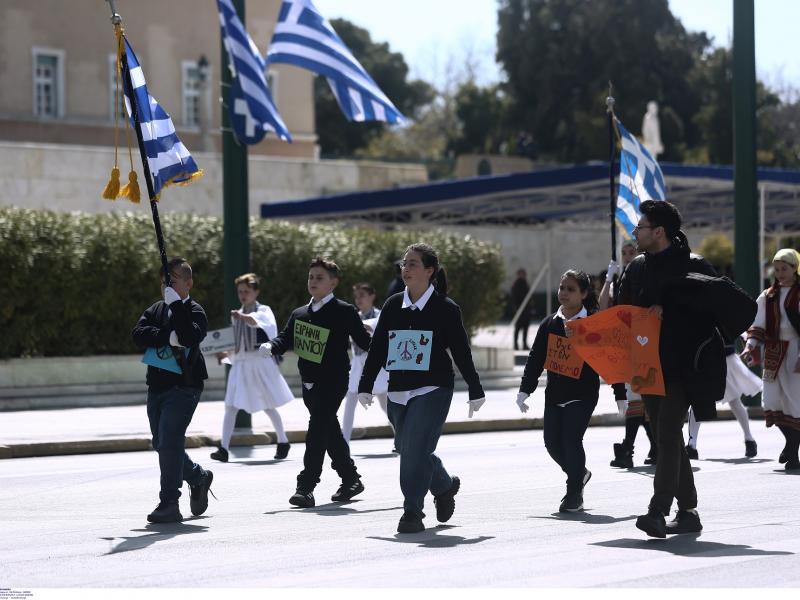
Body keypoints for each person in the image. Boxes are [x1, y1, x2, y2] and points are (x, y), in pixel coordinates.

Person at [359, 243, 486, 534]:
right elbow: (378, 348)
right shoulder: (393, 305)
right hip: (398, 390)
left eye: (413, 264)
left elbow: (461, 351)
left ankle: (412, 513)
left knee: (414, 449)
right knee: (409, 449)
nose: (406, 269)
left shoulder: (445, 308)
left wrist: (475, 388)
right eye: (404, 264)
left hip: (433, 388)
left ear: (430, 271)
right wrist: (366, 385)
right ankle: (443, 485)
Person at [616, 200, 724, 538]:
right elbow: (622, 312)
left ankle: (657, 511)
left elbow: (711, 314)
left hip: (682, 367)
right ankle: (688, 511)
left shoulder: (695, 266)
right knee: (671, 438)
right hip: (647, 366)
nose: (635, 232)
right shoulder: (635, 268)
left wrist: (670, 312)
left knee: (664, 433)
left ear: (659, 232)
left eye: (641, 227)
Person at [259, 257, 372, 508]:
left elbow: (365, 343)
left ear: (333, 283)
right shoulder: (299, 313)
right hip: (308, 383)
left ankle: (306, 486)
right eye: (311, 277)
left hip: (334, 381)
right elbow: (285, 338)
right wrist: (271, 346)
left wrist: (388, 352)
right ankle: (351, 478)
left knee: (317, 429)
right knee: (329, 429)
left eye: (319, 278)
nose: (313, 281)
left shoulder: (344, 311)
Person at [516, 270, 627, 512]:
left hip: (583, 394)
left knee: (571, 440)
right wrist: (525, 389)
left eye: (571, 289)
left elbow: (610, 359)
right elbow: (536, 358)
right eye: (562, 287)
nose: (564, 293)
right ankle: (580, 473)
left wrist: (620, 393)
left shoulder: (594, 324)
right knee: (552, 443)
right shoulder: (549, 323)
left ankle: (574, 491)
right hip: (555, 394)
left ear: (584, 294)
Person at [131, 257, 214, 523]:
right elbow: (139, 333)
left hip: (184, 386)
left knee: (169, 440)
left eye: (173, 281)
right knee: (161, 442)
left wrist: (176, 305)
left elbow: (190, 335)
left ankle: (169, 501)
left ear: (188, 284)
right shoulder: (155, 309)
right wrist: (166, 337)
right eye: (164, 281)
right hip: (157, 385)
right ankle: (197, 476)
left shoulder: (195, 310)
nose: (166, 286)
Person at [210, 273, 293, 463]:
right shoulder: (237, 315)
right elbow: (239, 346)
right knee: (230, 406)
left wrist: (242, 316)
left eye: (246, 291)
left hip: (259, 363)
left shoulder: (263, 310)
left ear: (256, 292)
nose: (243, 295)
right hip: (241, 365)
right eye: (240, 292)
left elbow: (261, 324)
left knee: (268, 405)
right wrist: (226, 355)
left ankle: (283, 440)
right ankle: (223, 448)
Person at [742, 248, 800, 471]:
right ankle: (791, 442)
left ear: (795, 269)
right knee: (771, 401)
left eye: (784, 269)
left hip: (796, 350)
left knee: (795, 402)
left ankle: (793, 454)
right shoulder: (768, 296)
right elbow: (757, 326)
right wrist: (749, 347)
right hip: (774, 352)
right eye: (776, 269)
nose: (780, 273)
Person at [600, 240, 657, 469]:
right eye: (624, 253)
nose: (628, 256)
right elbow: (603, 306)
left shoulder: (648, 277)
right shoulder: (620, 280)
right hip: (628, 345)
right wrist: (608, 278)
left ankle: (629, 449)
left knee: (639, 398)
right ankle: (653, 446)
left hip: (647, 343)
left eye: (631, 251)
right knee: (639, 398)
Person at [685, 338, 761, 460]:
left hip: (726, 359)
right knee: (698, 400)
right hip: (704, 359)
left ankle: (749, 439)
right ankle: (691, 444)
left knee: (735, 401)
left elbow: (737, 327)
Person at [340, 282, 391, 446]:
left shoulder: (380, 315)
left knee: (386, 405)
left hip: (376, 366)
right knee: (350, 402)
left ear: (372, 296)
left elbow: (372, 327)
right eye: (356, 296)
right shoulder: (354, 315)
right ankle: (344, 443)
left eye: (362, 295)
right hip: (357, 366)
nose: (358, 299)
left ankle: (401, 439)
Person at [511, 268, 533, 350]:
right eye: (522, 274)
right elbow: (516, 297)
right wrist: (517, 308)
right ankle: (516, 344)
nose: (524, 275)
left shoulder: (525, 283)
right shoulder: (516, 284)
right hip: (519, 310)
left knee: (525, 328)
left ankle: (524, 344)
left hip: (526, 310)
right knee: (518, 328)